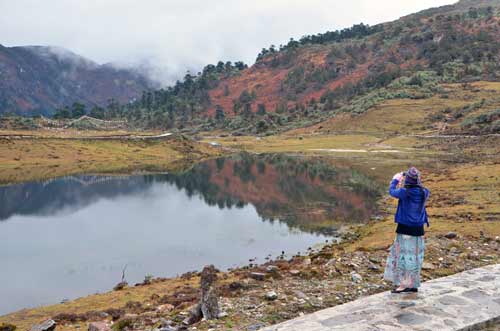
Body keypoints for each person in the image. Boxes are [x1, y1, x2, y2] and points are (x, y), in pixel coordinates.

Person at [384, 167, 430, 293]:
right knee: (415, 257)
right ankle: (413, 284)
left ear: (408, 180)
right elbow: (418, 187)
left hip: (405, 228)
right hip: (418, 229)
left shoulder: (405, 192)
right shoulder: (424, 192)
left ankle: (403, 285)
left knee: (403, 257)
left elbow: (392, 191)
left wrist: (395, 180)